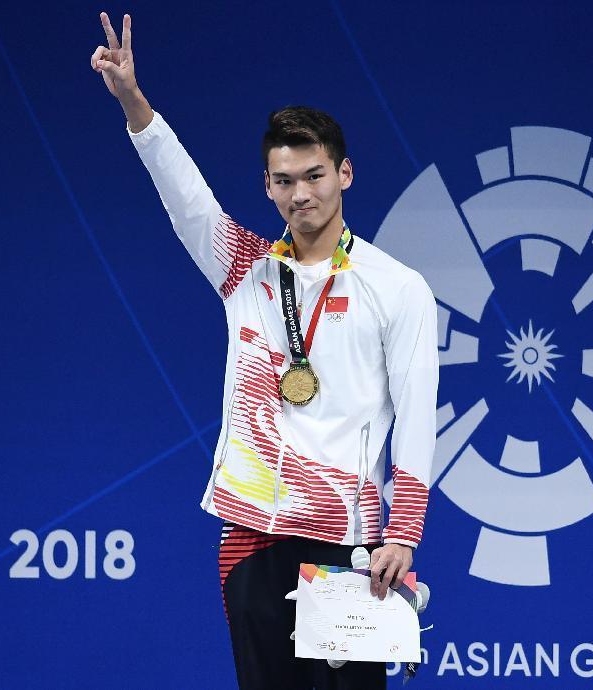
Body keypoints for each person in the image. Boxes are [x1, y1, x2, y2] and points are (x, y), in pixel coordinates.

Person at [90, 12, 438, 690]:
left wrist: (404, 532)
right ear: (268, 186)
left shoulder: (398, 288)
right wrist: (134, 103)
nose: (300, 194)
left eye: (314, 175)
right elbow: (187, 201)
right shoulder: (246, 271)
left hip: (347, 542)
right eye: (283, 180)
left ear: (344, 174)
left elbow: (418, 415)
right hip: (251, 536)